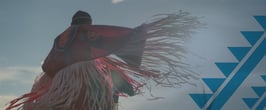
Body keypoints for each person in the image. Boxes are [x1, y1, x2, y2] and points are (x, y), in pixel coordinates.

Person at [6, 10, 201, 110]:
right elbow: (114, 40)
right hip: (83, 80)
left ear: (72, 22)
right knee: (103, 91)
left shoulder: (61, 39)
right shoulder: (89, 36)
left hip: (58, 84)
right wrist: (136, 35)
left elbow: (48, 66)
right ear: (89, 23)